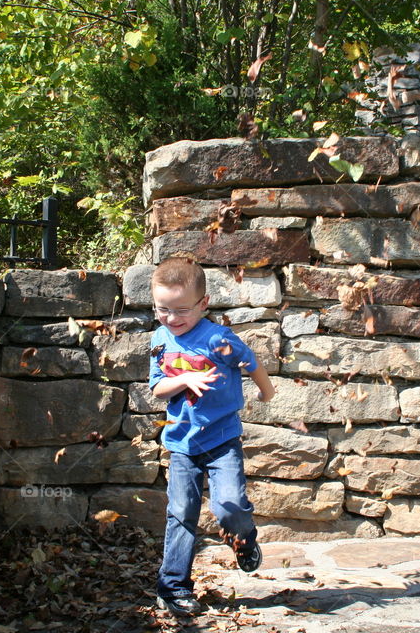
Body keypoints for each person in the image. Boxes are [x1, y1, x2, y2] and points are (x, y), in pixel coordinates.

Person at [149, 257, 276, 617]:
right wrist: (185, 380)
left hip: (221, 439)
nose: (171, 319)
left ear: (204, 304)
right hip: (181, 443)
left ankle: (244, 538)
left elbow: (250, 362)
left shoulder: (218, 339)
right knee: (181, 513)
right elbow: (157, 387)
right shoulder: (159, 339)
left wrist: (266, 392)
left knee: (228, 506)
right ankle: (173, 586)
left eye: (180, 311)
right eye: (162, 310)